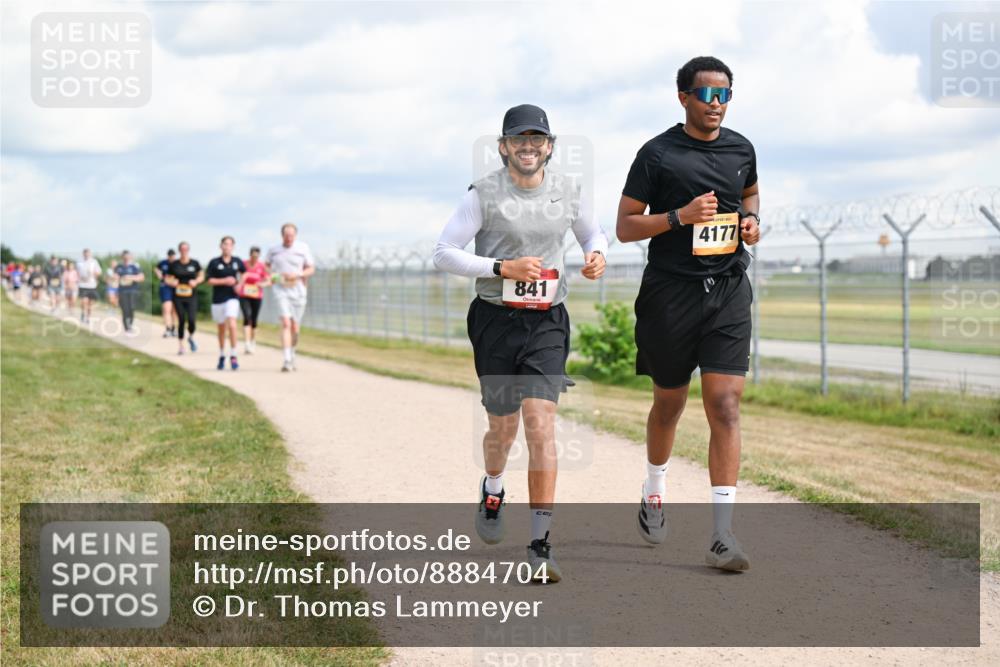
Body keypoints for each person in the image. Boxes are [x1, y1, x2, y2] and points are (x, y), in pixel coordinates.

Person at [433, 104, 608, 583]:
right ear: (503, 146)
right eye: (519, 139)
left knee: (540, 426)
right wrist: (499, 268)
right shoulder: (484, 194)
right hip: (494, 320)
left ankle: (540, 544)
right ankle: (493, 488)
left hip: (547, 320)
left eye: (537, 138)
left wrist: (596, 255)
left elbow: (593, 232)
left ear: (550, 145)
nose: (528, 147)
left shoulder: (568, 190)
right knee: (502, 431)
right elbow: (443, 252)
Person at [616, 56, 761, 571]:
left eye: (725, 95)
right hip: (669, 295)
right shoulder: (656, 154)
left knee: (724, 404)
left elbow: (749, 195)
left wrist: (751, 222)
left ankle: (723, 535)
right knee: (669, 405)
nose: (717, 105)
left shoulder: (742, 148)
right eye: (707, 96)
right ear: (684, 98)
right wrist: (679, 217)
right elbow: (626, 227)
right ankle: (655, 489)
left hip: (726, 289)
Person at [265, 223, 315, 372]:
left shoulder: (303, 249)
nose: (289, 238)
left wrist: (298, 274)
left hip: (298, 291)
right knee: (286, 323)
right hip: (281, 290)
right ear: (282, 236)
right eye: (286, 235)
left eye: (291, 235)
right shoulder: (274, 250)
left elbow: (311, 268)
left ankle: (293, 353)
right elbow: (266, 266)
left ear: (295, 235)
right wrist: (275, 276)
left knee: (295, 326)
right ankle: (286, 359)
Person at [206, 236, 246, 371]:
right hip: (218, 299)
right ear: (221, 246)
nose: (227, 247)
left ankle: (234, 355)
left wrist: (239, 284)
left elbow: (244, 274)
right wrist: (225, 280)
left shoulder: (237, 261)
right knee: (221, 329)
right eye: (225, 244)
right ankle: (222, 354)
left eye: (229, 244)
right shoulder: (214, 262)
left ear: (233, 247)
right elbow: (209, 280)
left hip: (232, 298)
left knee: (233, 324)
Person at [165, 241, 203, 354]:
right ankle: (181, 346)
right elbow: (167, 278)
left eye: (186, 249)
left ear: (188, 250)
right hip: (178, 296)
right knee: (181, 319)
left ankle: (190, 337)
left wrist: (196, 281)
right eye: (182, 249)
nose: (184, 251)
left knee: (192, 320)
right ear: (179, 250)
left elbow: (201, 275)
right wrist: (172, 282)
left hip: (191, 295)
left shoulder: (195, 263)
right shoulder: (174, 264)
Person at [237, 245, 270, 354]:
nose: (254, 258)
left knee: (254, 320)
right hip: (244, 295)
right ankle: (246, 343)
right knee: (247, 317)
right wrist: (242, 279)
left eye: (257, 256)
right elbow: (238, 276)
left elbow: (268, 280)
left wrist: (262, 284)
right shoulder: (244, 264)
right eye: (253, 256)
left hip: (257, 295)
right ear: (250, 255)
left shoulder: (262, 266)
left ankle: (253, 341)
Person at [114, 251, 144, 333]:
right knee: (125, 309)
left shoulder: (135, 266)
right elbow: (115, 278)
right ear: (122, 257)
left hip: (132, 290)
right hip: (122, 291)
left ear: (130, 257)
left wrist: (130, 277)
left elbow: (141, 277)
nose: (126, 258)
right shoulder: (119, 267)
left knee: (131, 308)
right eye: (124, 257)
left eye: (128, 257)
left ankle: (130, 324)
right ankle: (127, 327)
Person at [155, 249, 178, 338]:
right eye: (170, 255)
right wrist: (159, 275)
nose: (171, 257)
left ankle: (173, 328)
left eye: (172, 255)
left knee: (174, 310)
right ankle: (168, 329)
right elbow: (156, 269)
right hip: (165, 287)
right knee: (166, 308)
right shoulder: (163, 263)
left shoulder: (177, 263)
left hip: (175, 288)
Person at [76, 249, 102, 324]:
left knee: (90, 303)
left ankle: (88, 317)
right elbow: (77, 272)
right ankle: (83, 313)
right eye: (85, 253)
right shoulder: (79, 262)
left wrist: (93, 274)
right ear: (83, 254)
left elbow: (99, 272)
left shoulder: (94, 262)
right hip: (82, 284)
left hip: (92, 285)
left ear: (90, 254)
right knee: (84, 301)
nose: (86, 255)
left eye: (88, 253)